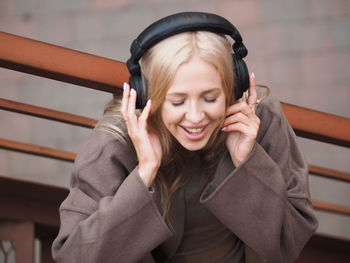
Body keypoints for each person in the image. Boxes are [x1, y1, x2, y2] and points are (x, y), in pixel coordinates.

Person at [52, 12, 318, 263]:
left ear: (232, 87)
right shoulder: (114, 143)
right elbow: (74, 256)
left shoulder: (261, 123)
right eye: (178, 102)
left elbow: (288, 243)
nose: (195, 116)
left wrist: (248, 161)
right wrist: (144, 174)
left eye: (210, 98)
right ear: (148, 97)